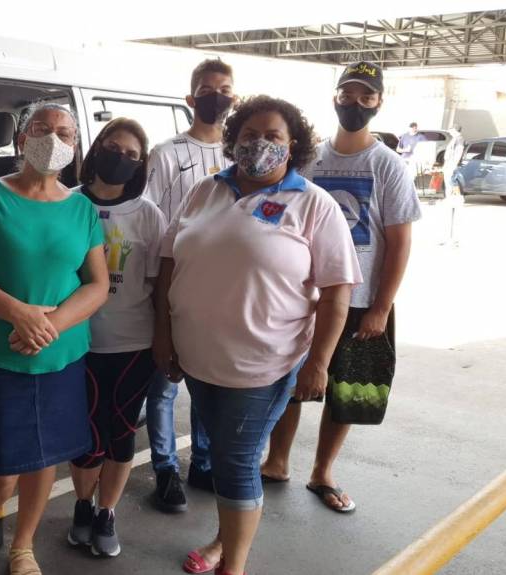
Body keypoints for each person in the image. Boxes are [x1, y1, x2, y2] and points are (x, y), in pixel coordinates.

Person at [157, 95, 361, 575]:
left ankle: (234, 565)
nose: (259, 144)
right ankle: (224, 540)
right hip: (197, 360)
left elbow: (338, 291)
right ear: (233, 140)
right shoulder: (205, 190)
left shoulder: (313, 203)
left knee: (236, 460)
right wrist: (164, 335)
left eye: (273, 136)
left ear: (293, 145)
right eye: (249, 135)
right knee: (226, 458)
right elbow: (168, 264)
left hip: (262, 366)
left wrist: (319, 363)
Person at [0, 103, 109, 575]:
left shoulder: (82, 208)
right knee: (1, 462)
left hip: (61, 352)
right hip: (2, 350)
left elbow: (97, 284)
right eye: (42, 128)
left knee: (45, 457)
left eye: (65, 132)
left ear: (75, 145)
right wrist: (17, 313)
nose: (53, 139)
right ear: (22, 139)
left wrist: (50, 325)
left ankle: (23, 544)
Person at [262, 61, 421, 514]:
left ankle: (323, 472)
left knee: (346, 390)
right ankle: (276, 462)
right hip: (303, 297)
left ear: (379, 102)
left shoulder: (387, 165)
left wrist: (381, 308)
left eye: (366, 96)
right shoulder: (309, 158)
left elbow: (400, 242)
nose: (355, 103)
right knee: (290, 381)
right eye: (348, 94)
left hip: (361, 300)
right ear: (334, 98)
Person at [66, 118, 165, 557]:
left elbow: (158, 286)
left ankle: (106, 512)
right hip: (75, 342)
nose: (121, 158)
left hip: (131, 345)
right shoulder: (67, 203)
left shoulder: (148, 214)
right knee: (85, 434)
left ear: (141, 164)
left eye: (132, 155)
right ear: (96, 148)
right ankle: (82, 505)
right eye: (113, 148)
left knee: (121, 431)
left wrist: (165, 340)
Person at [143, 58, 235, 512]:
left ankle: (203, 461)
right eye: (206, 89)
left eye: (224, 89)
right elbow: (148, 218)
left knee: (205, 378)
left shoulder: (240, 155)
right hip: (171, 279)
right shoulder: (167, 153)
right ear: (190, 98)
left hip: (219, 288)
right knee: (163, 383)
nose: (216, 97)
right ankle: (164, 469)